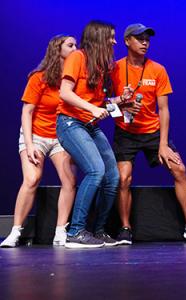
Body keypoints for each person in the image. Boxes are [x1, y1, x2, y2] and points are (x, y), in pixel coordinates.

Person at [111, 23, 186, 245]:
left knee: (180, 169)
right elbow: (102, 103)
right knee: (123, 178)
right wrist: (121, 108)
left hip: (153, 132)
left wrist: (163, 144)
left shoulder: (157, 69)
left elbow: (163, 110)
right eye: (139, 38)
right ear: (127, 41)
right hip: (125, 133)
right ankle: (125, 228)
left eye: (147, 39)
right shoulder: (114, 69)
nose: (145, 42)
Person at [56, 20, 131, 249]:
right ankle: (75, 231)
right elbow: (65, 93)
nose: (115, 41)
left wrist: (120, 100)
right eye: (111, 37)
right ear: (98, 38)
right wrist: (92, 109)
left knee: (112, 177)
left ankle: (98, 231)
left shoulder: (100, 66)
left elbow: (97, 102)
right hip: (70, 123)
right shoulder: (77, 57)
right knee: (95, 170)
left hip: (89, 125)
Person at [1, 35, 77, 248]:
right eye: (70, 45)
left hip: (60, 137)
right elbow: (27, 112)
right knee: (32, 178)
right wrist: (30, 144)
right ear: (57, 49)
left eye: (76, 45)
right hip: (34, 135)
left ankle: (60, 231)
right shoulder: (39, 77)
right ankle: (15, 231)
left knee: (69, 180)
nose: (75, 48)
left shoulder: (73, 80)